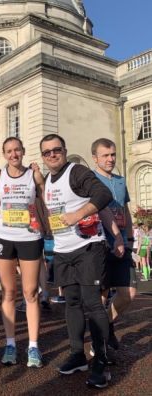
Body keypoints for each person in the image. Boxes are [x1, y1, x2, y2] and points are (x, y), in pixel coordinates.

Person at [40, 133, 123, 389]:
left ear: (64, 151)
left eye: (57, 150)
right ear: (43, 157)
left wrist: (79, 214)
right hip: (64, 250)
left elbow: (102, 194)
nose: (53, 155)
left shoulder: (76, 172)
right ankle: (78, 355)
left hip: (88, 247)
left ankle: (100, 360)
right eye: (47, 152)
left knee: (92, 304)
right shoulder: (47, 180)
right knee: (72, 303)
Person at [0, 137, 45, 367]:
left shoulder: (33, 175)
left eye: (17, 150)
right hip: (4, 236)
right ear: (4, 154)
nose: (14, 154)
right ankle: (11, 343)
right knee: (8, 292)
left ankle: (33, 346)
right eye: (9, 151)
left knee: (31, 292)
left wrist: (41, 180)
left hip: (29, 236)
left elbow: (45, 199)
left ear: (23, 151)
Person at [91, 138, 137, 350]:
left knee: (129, 293)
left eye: (112, 155)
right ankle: (99, 342)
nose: (110, 159)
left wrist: (129, 238)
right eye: (105, 156)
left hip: (122, 244)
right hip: (100, 243)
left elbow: (125, 210)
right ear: (95, 158)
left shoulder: (120, 180)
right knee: (102, 293)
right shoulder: (91, 180)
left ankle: (107, 324)